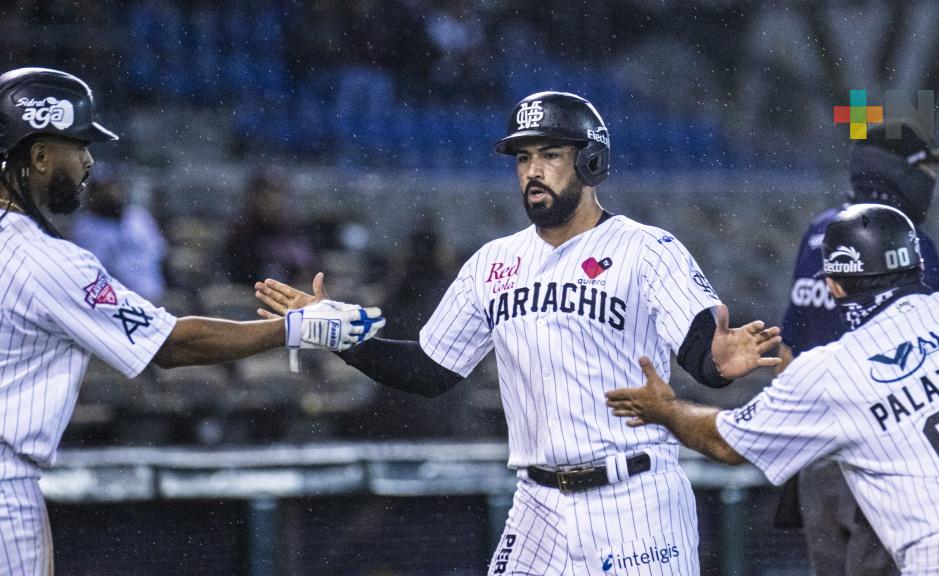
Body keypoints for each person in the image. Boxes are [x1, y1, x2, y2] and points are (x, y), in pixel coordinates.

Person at [256, 91, 781, 574]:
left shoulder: (645, 249)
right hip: (537, 505)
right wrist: (342, 337)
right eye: (524, 158)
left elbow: (699, 347)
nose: (533, 170)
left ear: (590, 161)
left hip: (634, 498)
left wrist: (716, 362)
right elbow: (430, 370)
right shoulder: (493, 262)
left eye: (550, 154)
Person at [0, 67, 381, 576]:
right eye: (78, 144)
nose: (90, 160)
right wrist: (297, 328)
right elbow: (171, 345)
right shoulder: (43, 260)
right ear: (40, 153)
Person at [607, 204, 939, 575]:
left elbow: (729, 444)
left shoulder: (834, 370)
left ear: (834, 286)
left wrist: (666, 409)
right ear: (918, 263)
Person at [775, 119, 939, 575]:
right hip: (885, 450)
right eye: (926, 169)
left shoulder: (820, 230)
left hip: (818, 446)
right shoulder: (910, 245)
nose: (932, 181)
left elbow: (789, 353)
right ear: (898, 170)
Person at [70, 165, 167, 302]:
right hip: (118, 302)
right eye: (103, 188)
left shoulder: (139, 217)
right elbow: (92, 274)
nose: (111, 193)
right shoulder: (86, 226)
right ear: (93, 193)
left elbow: (159, 253)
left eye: (113, 186)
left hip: (153, 294)